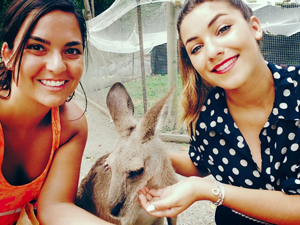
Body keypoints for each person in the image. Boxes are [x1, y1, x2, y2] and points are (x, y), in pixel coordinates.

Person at [138, 0, 300, 224]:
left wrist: (210, 190)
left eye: (223, 29)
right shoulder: (205, 114)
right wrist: (145, 156)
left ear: (254, 28)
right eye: (196, 48)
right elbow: (201, 163)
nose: (212, 51)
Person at [0, 0, 114, 224]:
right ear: (8, 55)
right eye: (37, 47)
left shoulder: (70, 126)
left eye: (71, 51)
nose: (57, 66)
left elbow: (55, 207)